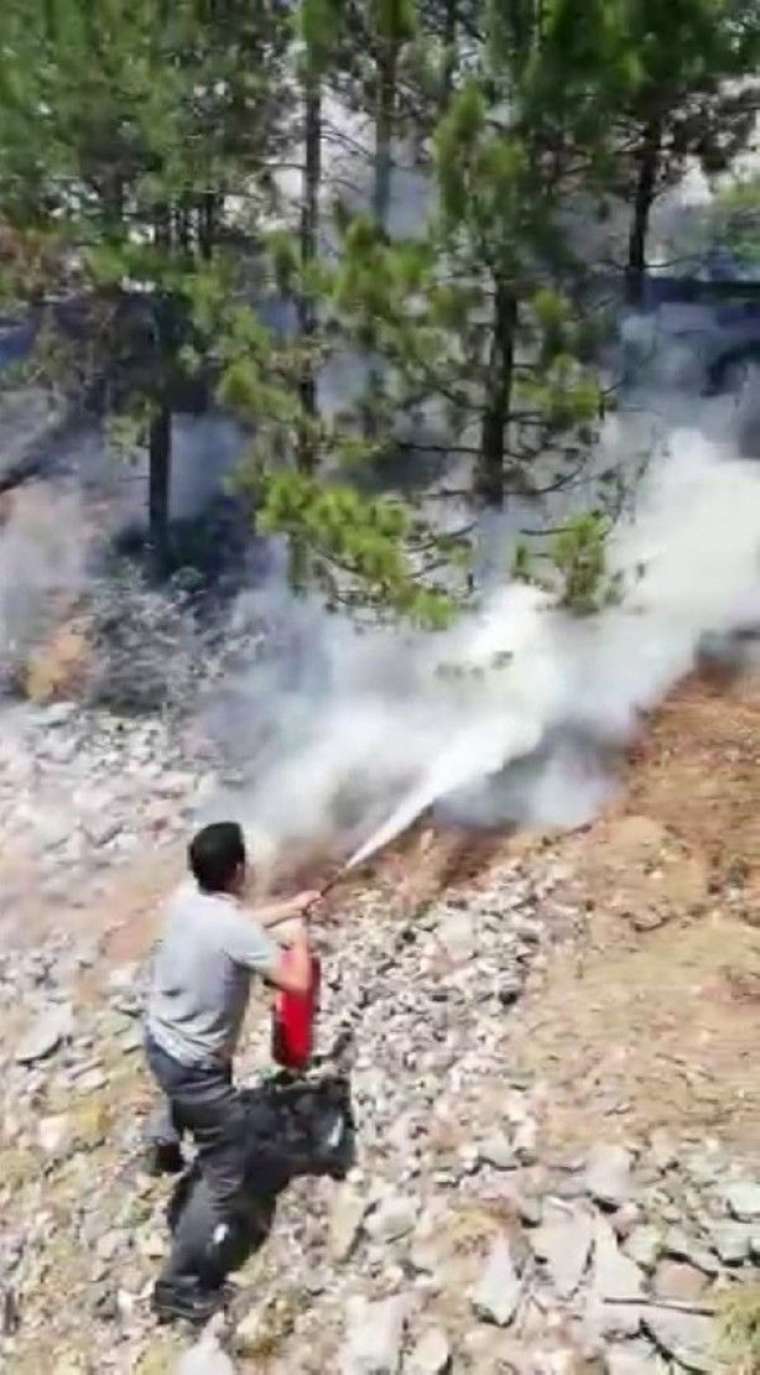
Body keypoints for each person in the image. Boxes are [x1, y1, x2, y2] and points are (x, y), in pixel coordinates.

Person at [143, 820, 321, 1323]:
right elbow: (296, 983)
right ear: (239, 869)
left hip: (158, 1041)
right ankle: (177, 1289)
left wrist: (288, 909)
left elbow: (237, 926)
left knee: (180, 1091)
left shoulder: (188, 901)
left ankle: (163, 1141)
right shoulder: (233, 927)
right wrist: (299, 937)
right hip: (196, 1070)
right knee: (225, 1169)